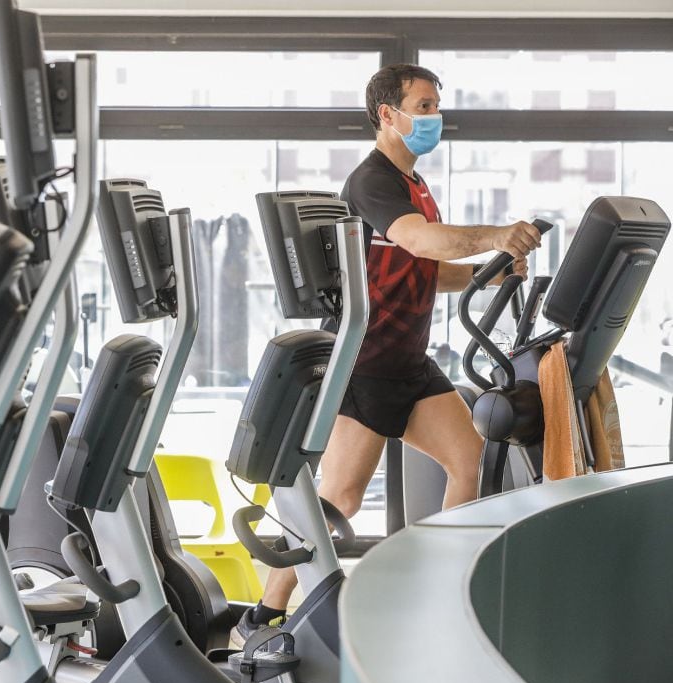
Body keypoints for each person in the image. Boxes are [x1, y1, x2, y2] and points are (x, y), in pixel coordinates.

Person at [232, 64, 541, 644]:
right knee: (339, 497)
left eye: (435, 106)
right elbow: (420, 240)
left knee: (468, 459)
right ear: (387, 115)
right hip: (366, 363)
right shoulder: (373, 181)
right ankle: (264, 616)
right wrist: (497, 235)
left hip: (410, 363)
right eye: (422, 106)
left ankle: (443, 587)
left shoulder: (416, 184)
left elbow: (432, 268)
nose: (433, 117)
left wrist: (491, 276)